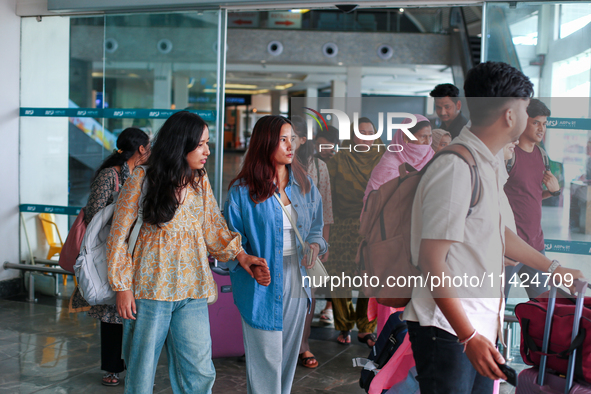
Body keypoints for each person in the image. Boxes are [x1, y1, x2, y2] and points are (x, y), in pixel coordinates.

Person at [403, 61, 583, 394]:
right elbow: (431, 261)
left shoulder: (489, 162)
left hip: (479, 323)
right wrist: (467, 335)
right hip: (448, 328)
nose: (531, 119)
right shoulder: (457, 166)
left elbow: (497, 233)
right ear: (510, 115)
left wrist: (554, 267)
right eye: (526, 109)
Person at [107, 111, 266, 394]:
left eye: (207, 143)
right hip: (149, 291)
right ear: (181, 144)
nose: (207, 150)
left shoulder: (198, 181)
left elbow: (213, 227)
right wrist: (122, 287)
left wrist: (242, 256)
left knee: (200, 370)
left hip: (192, 288)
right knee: (141, 372)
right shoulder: (141, 179)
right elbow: (118, 237)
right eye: (201, 144)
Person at [224, 115, 328, 394]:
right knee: (266, 359)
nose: (290, 145)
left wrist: (316, 246)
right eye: (282, 139)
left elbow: (316, 229)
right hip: (261, 280)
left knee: (287, 356)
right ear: (265, 142)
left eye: (291, 138)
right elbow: (230, 242)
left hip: (297, 275)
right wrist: (244, 260)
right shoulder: (242, 191)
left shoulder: (305, 186)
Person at [69, 127, 150, 387]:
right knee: (112, 312)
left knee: (137, 312)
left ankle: (138, 370)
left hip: (138, 251)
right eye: (148, 147)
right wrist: (122, 216)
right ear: (140, 149)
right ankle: (113, 368)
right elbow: (93, 213)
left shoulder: (144, 175)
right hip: (111, 250)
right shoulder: (110, 176)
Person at [363, 114, 434, 336]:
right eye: (421, 137)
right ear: (406, 138)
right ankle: (387, 353)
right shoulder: (389, 164)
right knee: (393, 303)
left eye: (429, 137)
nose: (426, 143)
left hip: (422, 244)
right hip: (392, 245)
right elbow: (371, 208)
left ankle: (410, 358)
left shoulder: (433, 160)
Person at [327, 117, 384, 347]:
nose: (366, 137)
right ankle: (344, 325)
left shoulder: (384, 159)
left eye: (370, 132)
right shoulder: (339, 159)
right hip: (343, 226)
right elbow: (328, 194)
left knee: (368, 277)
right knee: (340, 278)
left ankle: (366, 327)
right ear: (352, 135)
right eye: (361, 132)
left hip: (371, 227)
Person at [503, 99, 560, 298]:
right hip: (509, 247)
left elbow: (531, 195)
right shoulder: (508, 155)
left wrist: (554, 192)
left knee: (543, 306)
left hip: (536, 246)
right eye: (536, 122)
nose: (541, 128)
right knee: (496, 307)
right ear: (523, 121)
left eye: (544, 124)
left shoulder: (542, 156)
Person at [291, 116, 334, 369]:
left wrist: (323, 244)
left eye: (294, 135)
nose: (289, 141)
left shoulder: (318, 167)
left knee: (308, 295)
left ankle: (303, 344)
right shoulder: (274, 162)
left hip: (309, 241)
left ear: (304, 138)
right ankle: (279, 344)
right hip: (281, 239)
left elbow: (325, 209)